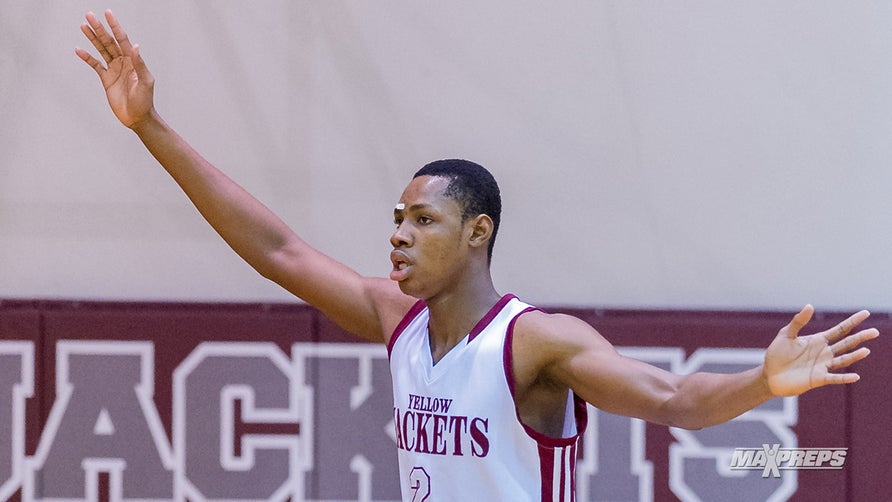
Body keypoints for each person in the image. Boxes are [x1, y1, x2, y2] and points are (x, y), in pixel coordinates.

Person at [76, 10, 878, 501]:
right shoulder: (396, 316)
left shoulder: (535, 343)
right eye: (396, 219)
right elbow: (276, 250)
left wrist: (764, 382)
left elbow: (673, 399)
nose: (398, 233)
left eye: (422, 220)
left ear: (478, 232)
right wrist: (150, 127)